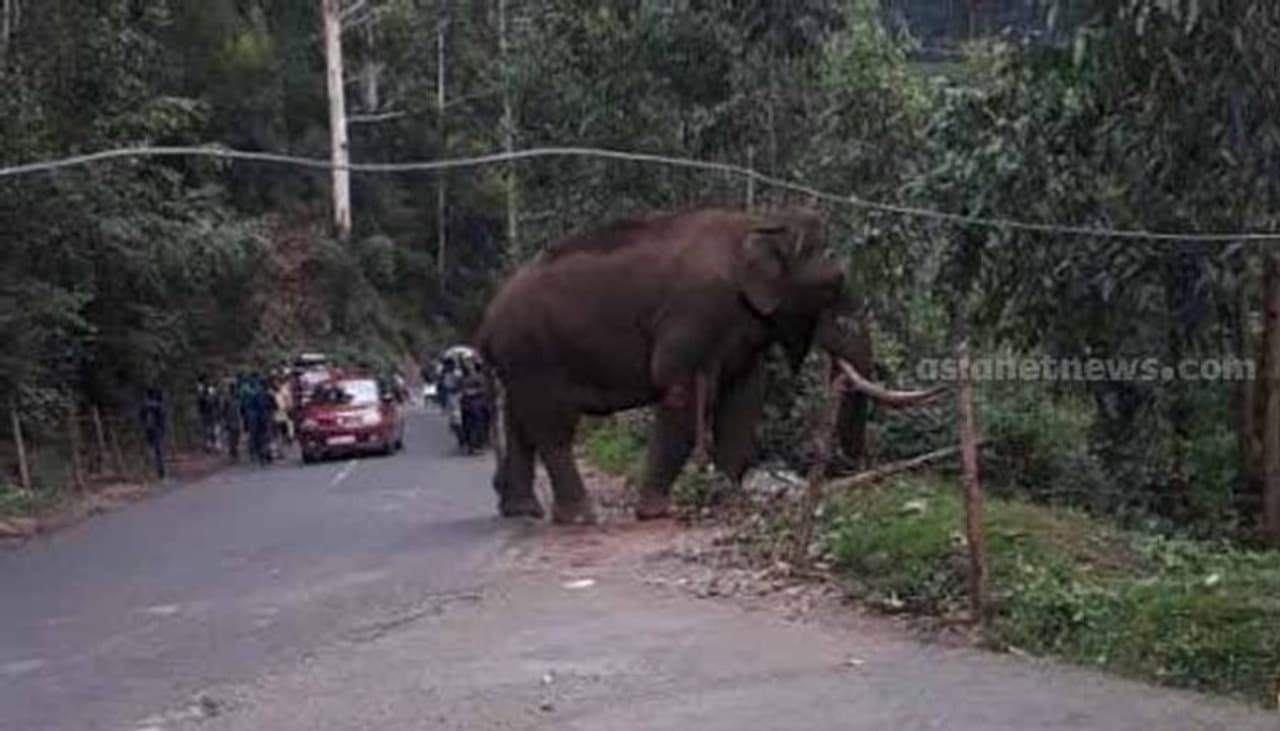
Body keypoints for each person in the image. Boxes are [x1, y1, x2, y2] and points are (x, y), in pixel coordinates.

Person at [139, 385, 167, 479]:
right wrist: (163, 429)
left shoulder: (144, 405)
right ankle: (160, 471)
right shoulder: (158, 406)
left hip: (148, 430)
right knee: (159, 451)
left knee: (150, 449)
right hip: (157, 430)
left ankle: (151, 470)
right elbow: (162, 418)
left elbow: (141, 418)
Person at [222, 379, 242, 462]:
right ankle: (233, 453)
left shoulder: (237, 397)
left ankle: (234, 452)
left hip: (237, 419)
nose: (234, 389)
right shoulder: (227, 398)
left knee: (236, 436)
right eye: (233, 388)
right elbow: (223, 410)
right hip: (230, 419)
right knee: (232, 437)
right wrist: (225, 420)